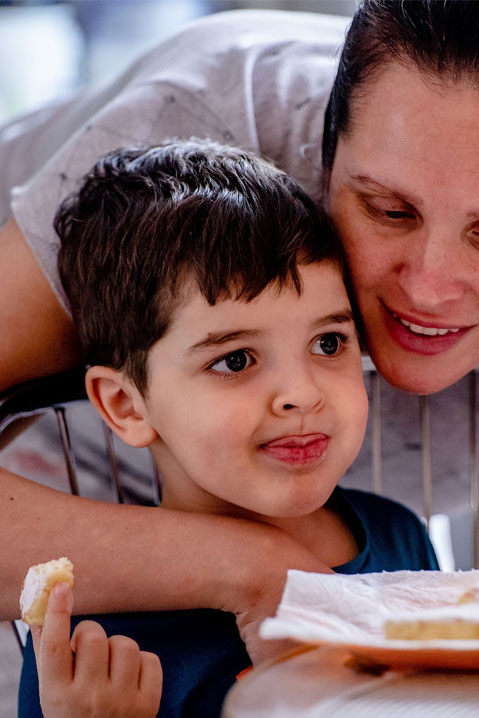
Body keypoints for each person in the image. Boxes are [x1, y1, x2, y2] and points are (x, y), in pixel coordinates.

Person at [1, 0, 479, 661]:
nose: (428, 287)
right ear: (323, 154)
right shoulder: (202, 153)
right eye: (388, 209)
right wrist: (258, 569)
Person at [19, 139, 439, 717]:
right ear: (126, 406)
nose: (301, 394)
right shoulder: (88, 639)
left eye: (328, 343)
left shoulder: (401, 539)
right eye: (236, 360)